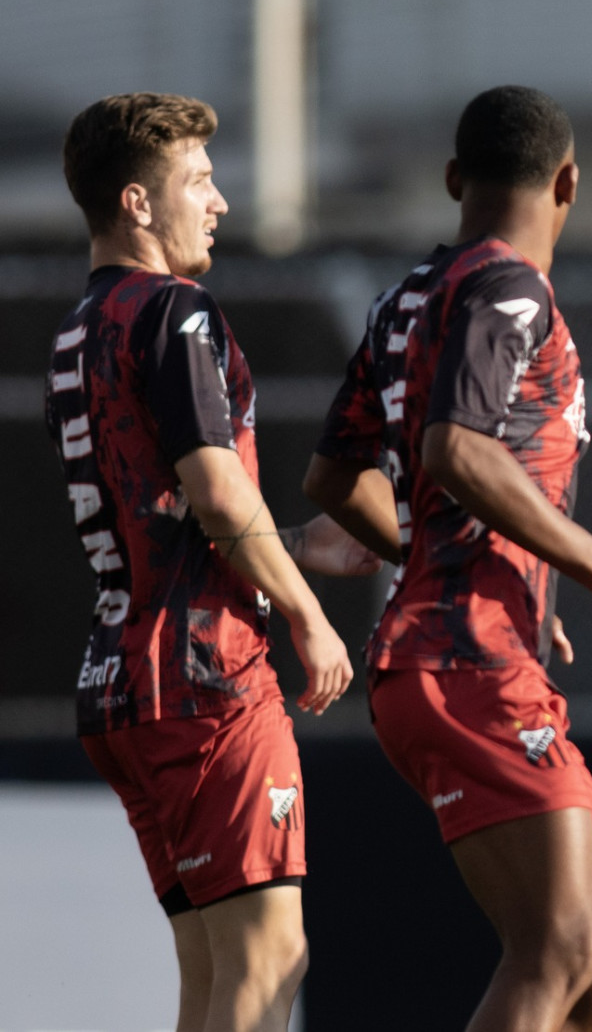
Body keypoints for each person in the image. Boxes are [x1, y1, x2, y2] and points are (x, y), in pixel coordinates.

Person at [303, 85, 592, 1032]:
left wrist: (448, 550)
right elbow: (455, 450)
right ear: (569, 183)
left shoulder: (405, 299)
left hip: (477, 656)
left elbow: (331, 476)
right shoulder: (511, 288)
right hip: (461, 664)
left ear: (452, 180)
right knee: (560, 951)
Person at [47, 93, 367, 1031]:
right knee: (270, 962)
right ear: (139, 203)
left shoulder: (77, 331)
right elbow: (218, 492)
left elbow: (159, 508)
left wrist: (301, 544)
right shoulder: (176, 311)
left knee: (210, 973)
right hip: (204, 677)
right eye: (199, 179)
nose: (219, 200)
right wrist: (307, 612)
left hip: (121, 678)